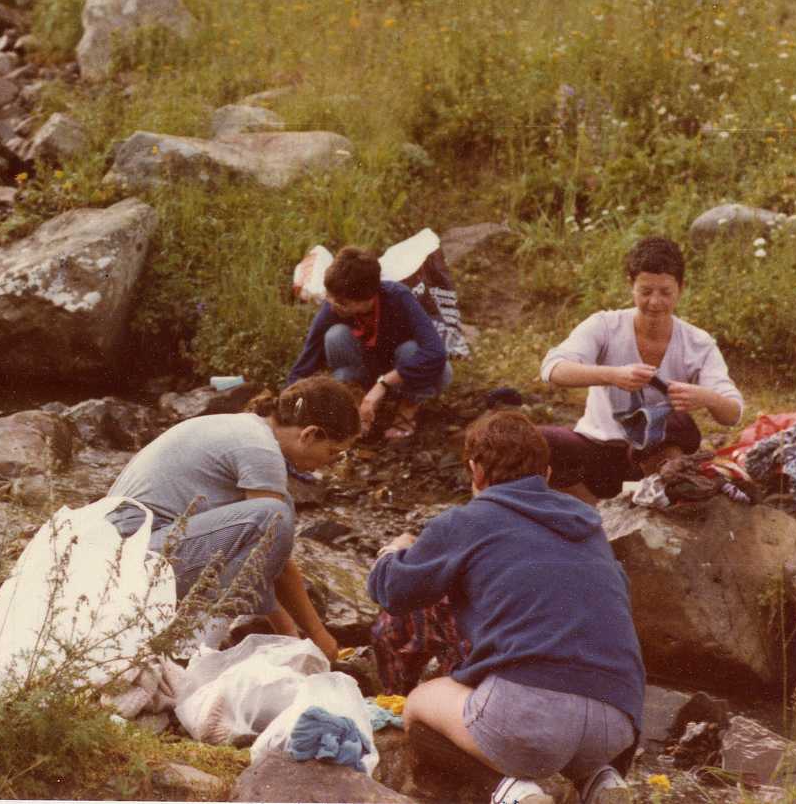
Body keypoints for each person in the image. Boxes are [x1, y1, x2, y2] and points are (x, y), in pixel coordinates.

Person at [366, 411, 643, 804]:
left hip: (530, 719)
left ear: (475, 471)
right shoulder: (589, 525)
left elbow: (392, 593)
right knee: (564, 705)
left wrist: (392, 553)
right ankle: (598, 779)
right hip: (618, 722)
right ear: (547, 473)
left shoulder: (468, 520)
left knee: (419, 705)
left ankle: (508, 790)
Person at [104, 376, 361, 660]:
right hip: (130, 561)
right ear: (309, 434)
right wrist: (320, 637)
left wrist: (294, 641)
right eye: (333, 452)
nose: (330, 463)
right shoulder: (261, 450)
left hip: (120, 555)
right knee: (274, 515)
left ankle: (191, 646)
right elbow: (271, 549)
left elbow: (266, 559)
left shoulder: (246, 429)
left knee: (278, 511)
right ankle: (193, 652)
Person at [539, 235, 742, 504]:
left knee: (677, 423)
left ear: (681, 288)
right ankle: (595, 512)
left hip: (652, 459)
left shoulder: (697, 342)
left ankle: (658, 492)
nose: (655, 302)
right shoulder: (604, 325)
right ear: (631, 286)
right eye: (645, 292)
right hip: (595, 450)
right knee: (535, 442)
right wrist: (613, 375)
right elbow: (552, 369)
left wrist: (707, 397)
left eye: (665, 292)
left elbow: (733, 413)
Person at [286, 246, 451, 440]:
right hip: (366, 369)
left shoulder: (398, 297)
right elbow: (306, 361)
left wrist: (383, 384)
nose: (332, 304)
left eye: (342, 302)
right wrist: (287, 403)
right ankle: (356, 407)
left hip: (400, 371)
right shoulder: (333, 306)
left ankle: (407, 407)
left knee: (412, 350)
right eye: (329, 296)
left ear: (367, 299)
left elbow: (436, 352)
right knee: (335, 336)